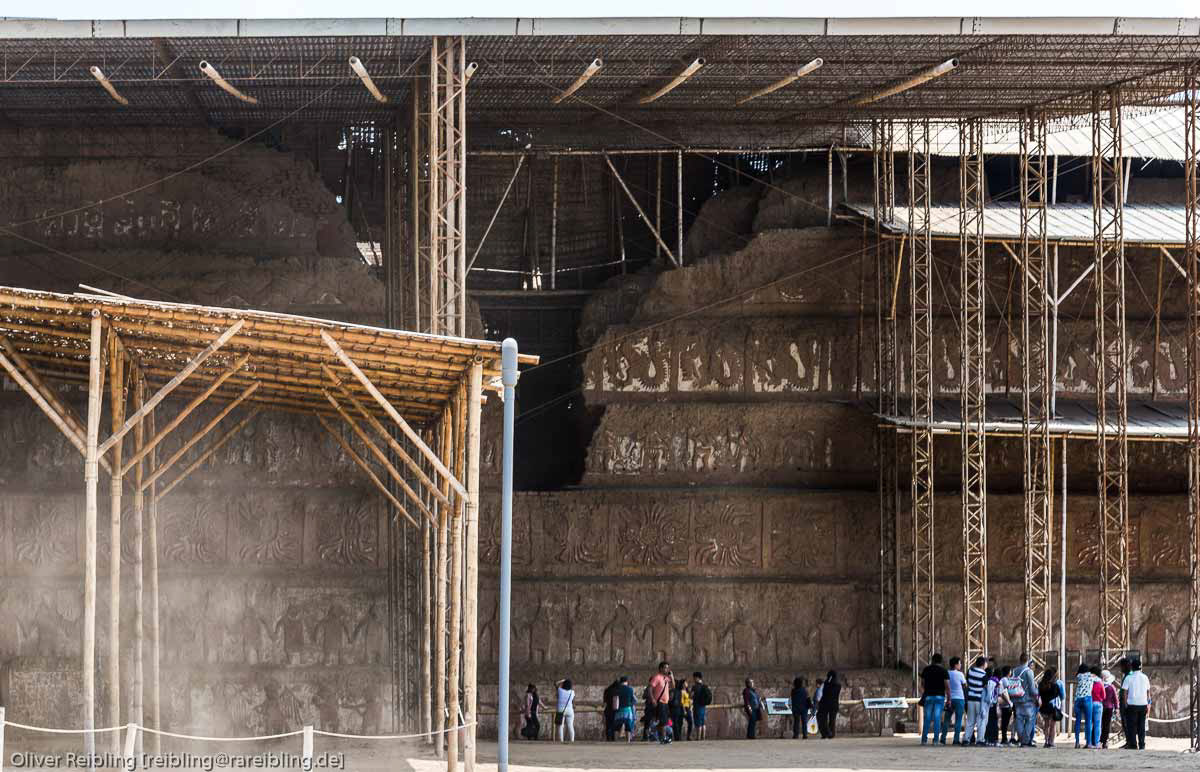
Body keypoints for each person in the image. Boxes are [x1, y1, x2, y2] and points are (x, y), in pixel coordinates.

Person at [1010, 653, 1040, 747]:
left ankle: (1021, 739)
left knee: (1019, 719)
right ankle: (1025, 740)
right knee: (1030, 720)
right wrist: (1037, 696)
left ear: (1020, 660)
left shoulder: (1014, 670)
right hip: (1027, 699)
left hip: (1016, 698)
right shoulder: (1029, 671)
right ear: (1027, 661)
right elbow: (1031, 688)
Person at [919, 653, 950, 746]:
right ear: (941, 661)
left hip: (928, 696)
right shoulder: (944, 671)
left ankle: (924, 740)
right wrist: (949, 699)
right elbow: (947, 686)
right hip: (940, 696)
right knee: (937, 718)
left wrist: (926, 690)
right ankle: (936, 740)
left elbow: (922, 683)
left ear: (932, 660)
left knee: (927, 718)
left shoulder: (926, 669)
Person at [1121, 657, 1151, 750]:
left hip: (1132, 704)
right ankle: (1142, 744)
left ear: (1132, 667)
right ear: (1140, 667)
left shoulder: (1128, 678)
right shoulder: (1145, 677)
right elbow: (1148, 692)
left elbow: (1125, 692)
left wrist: (1125, 703)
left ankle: (1133, 744)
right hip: (1143, 704)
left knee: (1132, 725)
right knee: (1141, 725)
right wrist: (1148, 704)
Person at [964, 655, 988, 745]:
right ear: (983, 664)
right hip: (979, 700)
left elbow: (968, 683)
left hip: (970, 698)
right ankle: (980, 740)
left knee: (970, 720)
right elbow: (986, 688)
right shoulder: (984, 674)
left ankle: (966, 739)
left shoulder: (970, 671)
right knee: (981, 721)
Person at [1036, 666, 1063, 747]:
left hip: (1043, 707)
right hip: (1052, 707)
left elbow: (1039, 694)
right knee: (1052, 725)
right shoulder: (1055, 685)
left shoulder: (1040, 685)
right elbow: (1060, 696)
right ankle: (1051, 742)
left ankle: (1046, 741)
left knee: (1046, 724)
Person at [649, 661, 675, 743]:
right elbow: (650, 688)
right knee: (663, 721)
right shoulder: (657, 677)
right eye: (665, 667)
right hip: (659, 702)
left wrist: (672, 676)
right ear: (661, 668)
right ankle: (663, 738)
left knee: (664, 721)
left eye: (668, 668)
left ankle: (653, 731)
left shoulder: (665, 678)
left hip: (665, 703)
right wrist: (652, 699)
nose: (667, 669)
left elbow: (673, 686)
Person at [1073, 663, 1095, 749]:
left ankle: (1077, 742)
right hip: (1087, 698)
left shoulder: (1078, 676)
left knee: (1077, 722)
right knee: (1088, 722)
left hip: (1078, 699)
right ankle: (1088, 743)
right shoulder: (1091, 676)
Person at [947, 657, 967, 744]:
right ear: (955, 665)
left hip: (950, 699)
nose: (960, 665)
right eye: (959, 663)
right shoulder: (960, 674)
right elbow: (965, 685)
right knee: (958, 720)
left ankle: (943, 739)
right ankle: (956, 740)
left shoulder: (947, 673)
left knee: (947, 719)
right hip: (959, 699)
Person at [816, 671, 841, 739]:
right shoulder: (838, 685)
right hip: (834, 704)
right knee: (832, 720)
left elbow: (824, 694)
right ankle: (831, 733)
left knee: (823, 719)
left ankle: (826, 733)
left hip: (825, 704)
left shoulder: (827, 684)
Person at [612, 675, 637, 743]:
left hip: (618, 710)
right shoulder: (630, 689)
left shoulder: (616, 689)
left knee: (617, 726)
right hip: (627, 710)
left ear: (620, 681)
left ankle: (615, 741)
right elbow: (633, 700)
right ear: (627, 681)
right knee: (628, 726)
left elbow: (614, 700)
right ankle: (628, 741)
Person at [995, 666, 1016, 745]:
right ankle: (1004, 738)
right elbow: (1009, 689)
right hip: (1006, 704)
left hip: (1006, 704)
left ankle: (1004, 738)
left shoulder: (1004, 679)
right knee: (1005, 722)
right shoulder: (1004, 679)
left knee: (1005, 722)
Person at [1099, 669, 1119, 749]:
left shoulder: (1099, 686)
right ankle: (1105, 742)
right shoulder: (1111, 687)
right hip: (1109, 708)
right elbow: (1115, 698)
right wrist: (1117, 708)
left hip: (1100, 707)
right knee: (1106, 725)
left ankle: (1097, 740)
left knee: (1098, 724)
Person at [1116, 657, 1133, 748]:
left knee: (1127, 723)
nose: (1120, 669)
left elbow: (1126, 691)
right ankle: (1128, 741)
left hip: (1126, 703)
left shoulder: (1129, 676)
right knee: (1125, 723)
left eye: (1121, 666)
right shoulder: (1127, 676)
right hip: (1125, 702)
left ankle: (1130, 742)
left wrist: (1125, 703)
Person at [691, 673, 712, 740]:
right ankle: (703, 737)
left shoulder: (695, 687)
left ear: (697, 678)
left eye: (694, 678)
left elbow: (691, 696)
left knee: (698, 723)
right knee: (703, 722)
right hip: (703, 706)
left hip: (697, 706)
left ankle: (698, 737)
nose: (693, 679)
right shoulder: (705, 686)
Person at [983, 666, 1001, 746]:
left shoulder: (988, 681)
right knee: (993, 722)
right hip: (992, 703)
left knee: (988, 722)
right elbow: (994, 694)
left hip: (987, 704)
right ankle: (994, 739)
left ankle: (987, 739)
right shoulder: (995, 681)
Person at [554, 678, 575, 742]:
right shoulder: (572, 692)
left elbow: (555, 684)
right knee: (570, 726)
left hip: (561, 710)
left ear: (563, 684)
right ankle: (572, 740)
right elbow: (572, 702)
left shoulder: (560, 690)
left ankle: (561, 741)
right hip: (570, 710)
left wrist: (562, 680)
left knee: (560, 726)